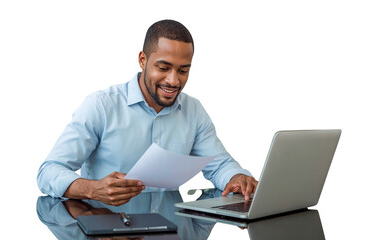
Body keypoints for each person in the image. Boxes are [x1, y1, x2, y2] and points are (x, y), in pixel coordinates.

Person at [37, 19, 258, 208]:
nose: (174, 80)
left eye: (183, 70)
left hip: (171, 231)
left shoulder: (194, 111)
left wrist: (236, 177)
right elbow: (49, 171)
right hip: (107, 229)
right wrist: (92, 189)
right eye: (163, 68)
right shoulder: (101, 106)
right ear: (143, 60)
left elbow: (219, 165)